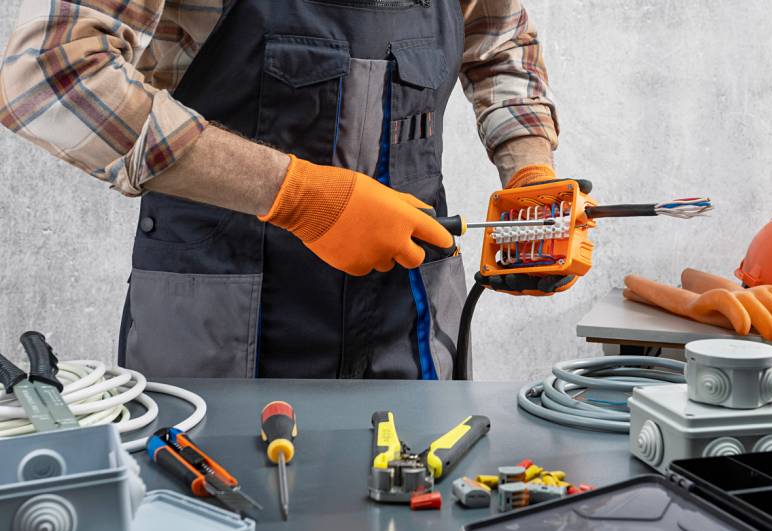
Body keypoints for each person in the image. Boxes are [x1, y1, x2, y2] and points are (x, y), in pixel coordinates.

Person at [0, 0, 560, 379]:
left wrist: (529, 170)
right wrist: (301, 197)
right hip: (218, 319)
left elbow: (500, 43)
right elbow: (50, 74)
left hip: (408, 315)